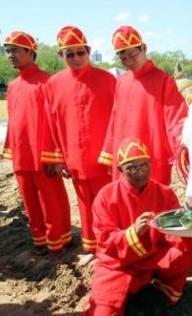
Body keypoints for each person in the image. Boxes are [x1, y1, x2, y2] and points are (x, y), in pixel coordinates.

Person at [85, 138, 192, 315]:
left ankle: (160, 291)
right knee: (104, 312)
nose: (140, 173)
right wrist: (132, 233)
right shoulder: (106, 196)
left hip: (152, 258)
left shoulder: (164, 193)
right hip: (118, 265)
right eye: (132, 168)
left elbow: (175, 231)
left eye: (144, 166)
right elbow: (105, 240)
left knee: (181, 257)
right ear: (120, 170)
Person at [41, 26, 116, 253]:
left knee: (109, 205)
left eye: (80, 52)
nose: (76, 58)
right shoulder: (52, 85)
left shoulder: (108, 80)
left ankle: (111, 248)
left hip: (105, 159)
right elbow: (50, 123)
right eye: (69, 54)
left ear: (89, 51)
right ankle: (93, 249)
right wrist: (57, 158)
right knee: (84, 205)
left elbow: (119, 119)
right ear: (60, 55)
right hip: (75, 159)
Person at [1, 31, 71, 255]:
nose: (10, 55)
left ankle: (58, 241)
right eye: (8, 51)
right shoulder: (12, 86)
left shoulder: (47, 82)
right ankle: (40, 240)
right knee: (30, 201)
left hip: (43, 155)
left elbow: (57, 122)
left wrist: (56, 157)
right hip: (22, 155)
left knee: (51, 201)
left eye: (15, 50)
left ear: (30, 52)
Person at [98, 25, 188, 186]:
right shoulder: (121, 82)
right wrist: (110, 154)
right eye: (123, 58)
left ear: (144, 48)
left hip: (152, 157)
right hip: (124, 158)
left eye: (133, 54)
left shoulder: (164, 80)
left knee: (154, 203)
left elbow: (175, 118)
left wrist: (183, 148)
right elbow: (114, 119)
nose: (130, 62)